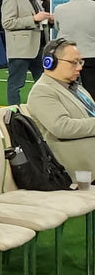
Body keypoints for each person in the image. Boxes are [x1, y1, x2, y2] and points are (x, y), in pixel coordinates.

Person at [26, 38, 95, 177]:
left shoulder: (76, 88)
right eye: (73, 62)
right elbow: (62, 127)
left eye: (80, 62)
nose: (79, 67)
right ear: (50, 62)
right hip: (80, 169)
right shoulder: (42, 91)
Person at [2, 0, 53, 106]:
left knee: (44, 83)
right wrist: (34, 19)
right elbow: (7, 23)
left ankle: (43, 109)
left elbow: (38, 21)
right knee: (16, 84)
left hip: (40, 48)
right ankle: (14, 113)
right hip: (21, 50)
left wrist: (48, 21)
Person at [53, 0, 95, 96]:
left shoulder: (60, 9)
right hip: (92, 54)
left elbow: (57, 27)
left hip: (68, 57)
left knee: (68, 90)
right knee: (92, 91)